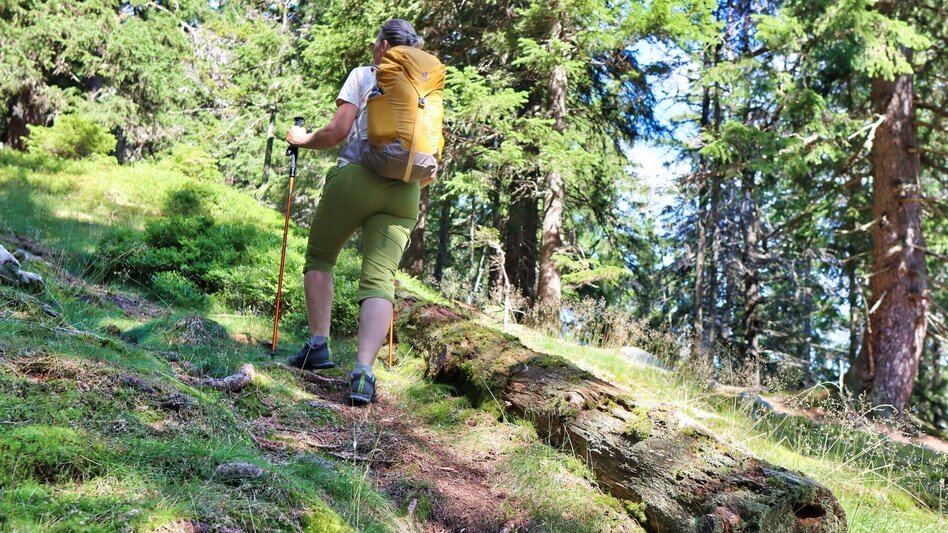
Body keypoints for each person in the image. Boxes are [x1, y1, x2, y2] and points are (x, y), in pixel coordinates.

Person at [284, 19, 432, 406]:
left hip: (358, 175)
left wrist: (302, 138)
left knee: (321, 257)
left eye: (375, 42)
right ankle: (364, 373)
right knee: (380, 279)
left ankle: (319, 345)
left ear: (383, 45)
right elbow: (430, 161)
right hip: (407, 191)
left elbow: (337, 132)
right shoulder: (426, 87)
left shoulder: (366, 75)